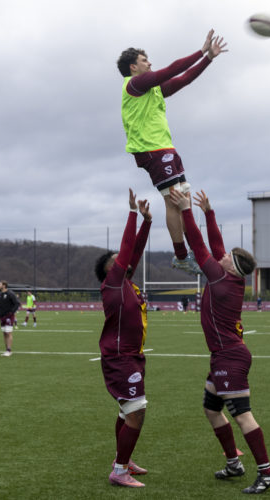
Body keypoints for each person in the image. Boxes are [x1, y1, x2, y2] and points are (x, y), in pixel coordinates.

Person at [170, 189, 270, 495]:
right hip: (224, 356)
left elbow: (199, 245)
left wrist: (186, 210)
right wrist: (209, 213)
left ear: (232, 266)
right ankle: (233, 463)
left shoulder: (219, 278)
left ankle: (267, 472)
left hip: (229, 357)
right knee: (211, 409)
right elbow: (215, 246)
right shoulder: (230, 276)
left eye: (229, 256)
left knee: (242, 416)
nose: (224, 254)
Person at [117, 30, 227, 276]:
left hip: (166, 148)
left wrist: (208, 58)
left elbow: (184, 78)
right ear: (133, 67)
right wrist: (200, 51)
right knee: (173, 200)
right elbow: (171, 70)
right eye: (144, 60)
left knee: (183, 199)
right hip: (151, 150)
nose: (150, 63)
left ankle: (195, 251)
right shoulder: (135, 84)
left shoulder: (152, 89)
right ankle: (181, 256)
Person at [94, 189, 152, 488]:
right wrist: (131, 213)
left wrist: (147, 222)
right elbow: (128, 248)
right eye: (118, 260)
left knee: (126, 410)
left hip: (132, 356)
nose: (126, 261)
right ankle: (119, 471)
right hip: (120, 359)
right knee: (136, 411)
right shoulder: (113, 284)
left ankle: (123, 461)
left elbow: (134, 250)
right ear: (110, 269)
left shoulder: (124, 282)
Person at [0, 280, 21, 357]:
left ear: (4, 285)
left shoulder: (10, 293)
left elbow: (17, 303)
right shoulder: (0, 295)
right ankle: (6, 350)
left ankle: (9, 350)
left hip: (9, 316)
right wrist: (0, 316)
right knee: (4, 333)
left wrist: (11, 312)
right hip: (2, 317)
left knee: (8, 333)